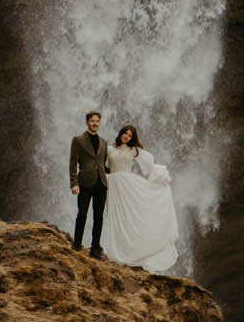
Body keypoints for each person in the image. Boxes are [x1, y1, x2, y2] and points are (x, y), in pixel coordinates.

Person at [104, 122, 179, 273]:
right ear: (120, 133)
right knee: (114, 217)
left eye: (130, 135)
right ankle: (116, 251)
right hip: (112, 184)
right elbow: (102, 164)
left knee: (128, 218)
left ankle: (133, 252)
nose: (126, 136)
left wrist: (156, 176)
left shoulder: (134, 151)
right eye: (125, 133)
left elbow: (149, 162)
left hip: (128, 185)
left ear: (132, 138)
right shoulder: (109, 148)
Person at [69, 109, 108, 259]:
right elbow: (72, 163)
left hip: (101, 184)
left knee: (99, 217)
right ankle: (77, 244)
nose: (95, 123)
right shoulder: (78, 140)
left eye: (97, 121)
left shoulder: (104, 142)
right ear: (87, 122)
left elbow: (102, 164)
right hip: (84, 183)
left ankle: (95, 248)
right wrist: (74, 183)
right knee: (82, 214)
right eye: (92, 121)